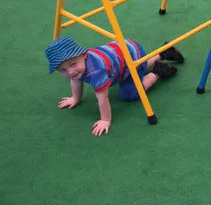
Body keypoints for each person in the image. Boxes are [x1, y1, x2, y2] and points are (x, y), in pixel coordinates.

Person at [45, 36, 184, 136]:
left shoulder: (96, 71)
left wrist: (105, 120)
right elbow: (75, 80)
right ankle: (163, 53)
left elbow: (103, 98)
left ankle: (158, 72)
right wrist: (75, 98)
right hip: (125, 50)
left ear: (84, 55)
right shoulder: (81, 63)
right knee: (138, 66)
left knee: (129, 93)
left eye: (73, 64)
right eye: (63, 70)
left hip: (131, 55)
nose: (70, 72)